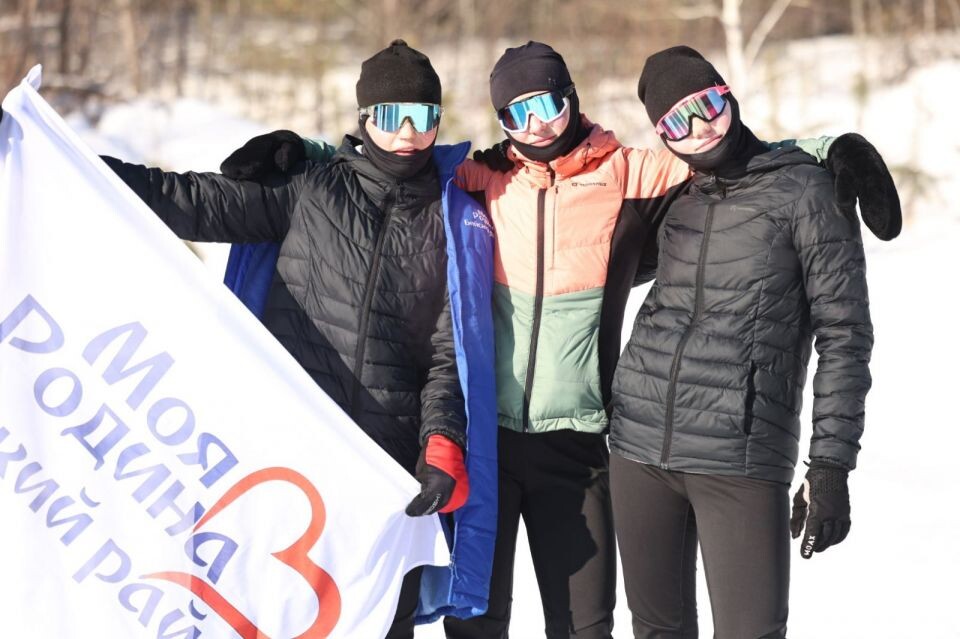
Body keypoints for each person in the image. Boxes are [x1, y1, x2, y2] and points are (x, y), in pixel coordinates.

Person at [222, 41, 899, 639]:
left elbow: (731, 158)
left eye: (549, 102)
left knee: (583, 623)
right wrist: (306, 151)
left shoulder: (630, 169)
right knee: (476, 617)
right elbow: (393, 166)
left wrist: (830, 147)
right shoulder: (481, 177)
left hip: (583, 444)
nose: (539, 123)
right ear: (502, 123)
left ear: (571, 99)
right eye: (519, 112)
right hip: (486, 443)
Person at [101, 40, 498, 639]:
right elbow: (192, 201)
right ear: (364, 120)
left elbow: (450, 354)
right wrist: (83, 168)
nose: (409, 134)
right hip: (293, 453)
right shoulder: (310, 187)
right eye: (393, 116)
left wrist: (441, 441)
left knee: (380, 621)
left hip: (384, 469)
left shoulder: (451, 219)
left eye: (425, 117)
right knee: (273, 614)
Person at [608, 46, 882, 639]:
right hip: (637, 447)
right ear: (662, 135)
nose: (699, 128)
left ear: (726, 94)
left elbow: (845, 335)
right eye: (676, 121)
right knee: (655, 629)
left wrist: (831, 463)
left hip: (742, 454)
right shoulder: (673, 194)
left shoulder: (807, 193)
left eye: (705, 105)